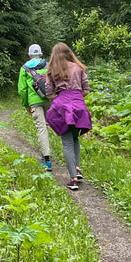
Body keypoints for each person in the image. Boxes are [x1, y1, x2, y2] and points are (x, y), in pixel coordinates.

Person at [45, 42, 92, 191]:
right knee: (75, 138)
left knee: (67, 142)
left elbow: (49, 93)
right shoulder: (79, 68)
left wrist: (59, 99)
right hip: (78, 105)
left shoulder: (52, 70)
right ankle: (76, 170)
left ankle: (72, 179)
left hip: (62, 106)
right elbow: (86, 90)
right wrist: (76, 96)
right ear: (69, 53)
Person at [18, 44, 52, 171]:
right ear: (41, 54)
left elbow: (22, 90)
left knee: (41, 128)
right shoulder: (49, 65)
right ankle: (46, 153)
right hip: (48, 99)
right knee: (46, 127)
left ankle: (47, 160)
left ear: (29, 55)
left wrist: (25, 104)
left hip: (34, 101)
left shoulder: (25, 68)